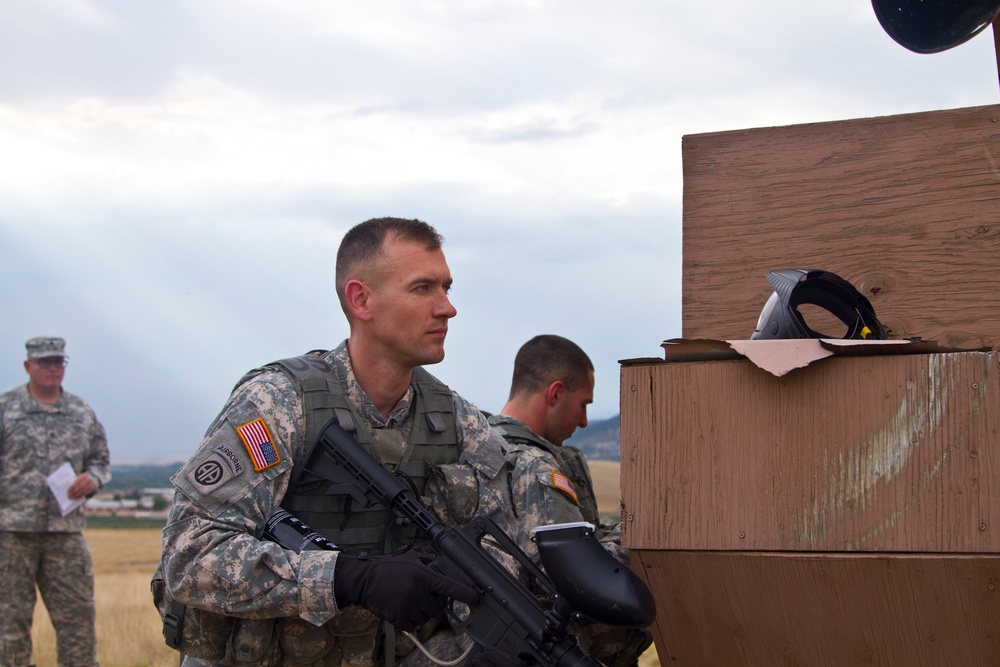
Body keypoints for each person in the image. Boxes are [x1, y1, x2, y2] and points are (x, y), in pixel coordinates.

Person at [156, 218, 521, 667]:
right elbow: (189, 554)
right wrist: (346, 579)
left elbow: (501, 560)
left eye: (446, 287)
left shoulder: (459, 423)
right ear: (361, 299)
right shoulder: (279, 404)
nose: (447, 308)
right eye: (423, 288)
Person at [487, 334, 652, 667]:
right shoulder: (535, 466)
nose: (584, 422)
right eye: (583, 404)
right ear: (556, 393)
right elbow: (573, 577)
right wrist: (641, 537)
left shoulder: (481, 446)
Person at [0, 336, 111, 667]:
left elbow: (101, 461)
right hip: (11, 536)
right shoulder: (6, 410)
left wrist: (92, 479)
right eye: (45, 362)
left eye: (58, 362)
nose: (53, 368)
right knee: (9, 627)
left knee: (78, 623)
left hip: (65, 535)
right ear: (27, 366)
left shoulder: (81, 412)